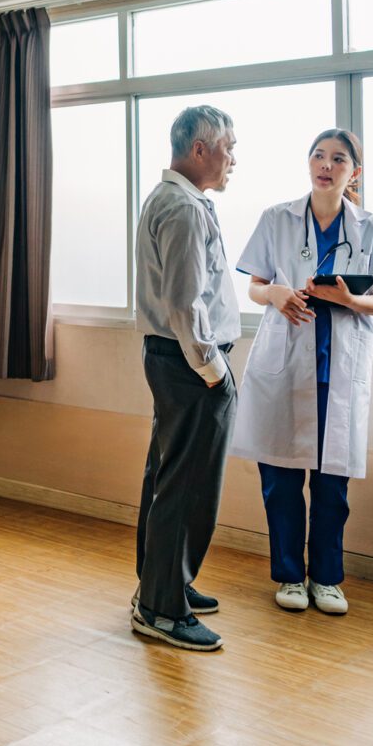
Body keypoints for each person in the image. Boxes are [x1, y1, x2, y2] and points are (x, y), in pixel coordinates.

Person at [232, 129, 373, 615]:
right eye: (318, 155)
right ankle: (290, 576)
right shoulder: (278, 219)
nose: (325, 165)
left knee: (332, 484)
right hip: (285, 364)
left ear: (355, 172)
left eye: (337, 159)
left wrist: (349, 300)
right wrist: (276, 295)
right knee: (282, 479)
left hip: (340, 367)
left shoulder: (371, 228)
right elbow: (255, 287)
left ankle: (327, 580)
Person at [132, 105, 241, 652]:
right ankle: (160, 609)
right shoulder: (183, 208)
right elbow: (183, 302)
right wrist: (214, 371)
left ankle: (162, 584)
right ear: (199, 150)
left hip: (175, 360)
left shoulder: (174, 199)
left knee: (168, 475)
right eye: (228, 148)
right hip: (190, 364)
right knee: (187, 483)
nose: (232, 160)